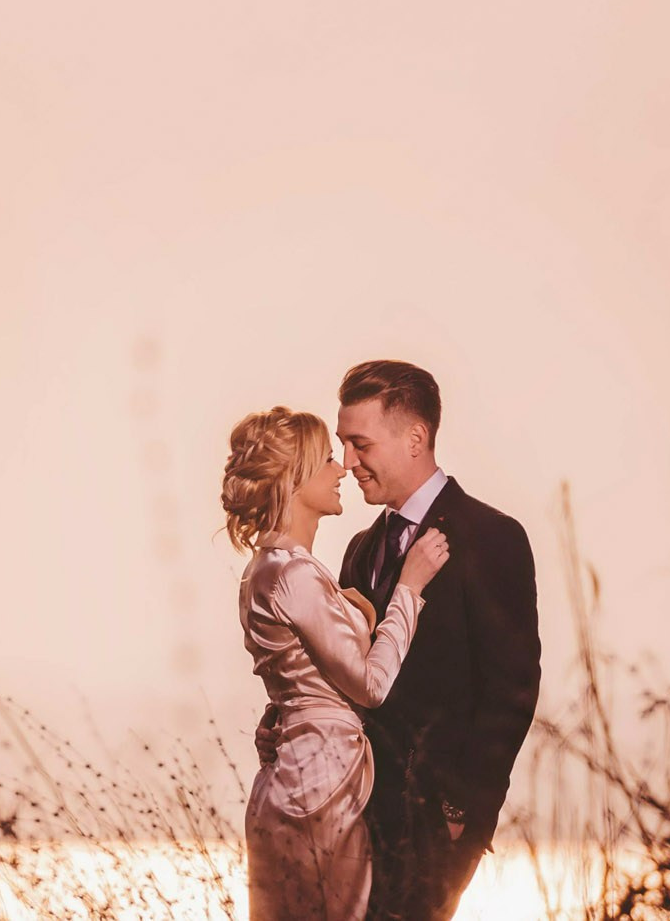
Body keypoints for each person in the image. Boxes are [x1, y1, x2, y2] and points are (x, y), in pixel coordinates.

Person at [306, 360, 541, 921]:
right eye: (343, 445)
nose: (348, 463)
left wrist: (461, 810)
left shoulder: (491, 536)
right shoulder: (362, 548)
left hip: (438, 825)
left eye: (360, 444)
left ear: (416, 438)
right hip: (353, 821)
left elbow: (511, 689)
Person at [225, 405, 451, 921]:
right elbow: (370, 686)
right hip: (320, 784)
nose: (341, 468)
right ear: (295, 477)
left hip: (295, 772)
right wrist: (409, 589)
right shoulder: (292, 573)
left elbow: (294, 679)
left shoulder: (266, 569)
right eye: (328, 458)